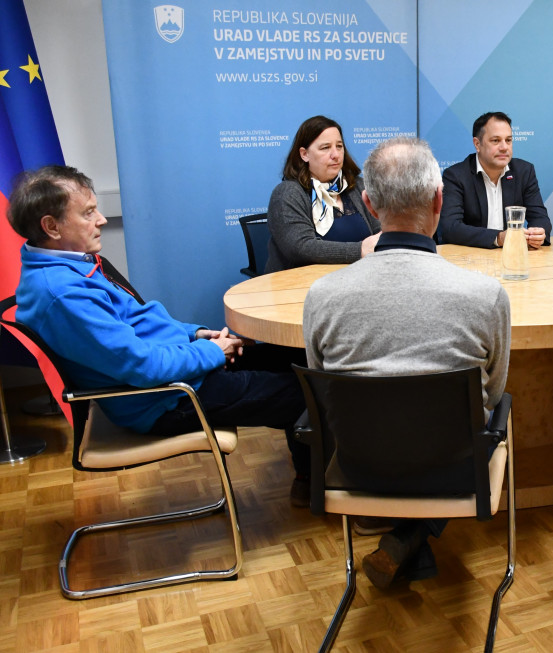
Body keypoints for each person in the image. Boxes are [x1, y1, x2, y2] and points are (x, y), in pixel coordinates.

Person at [6, 166, 309, 500]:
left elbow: (141, 321)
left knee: (293, 358)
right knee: (307, 392)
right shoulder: (63, 293)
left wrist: (198, 336)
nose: (102, 220)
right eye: (88, 212)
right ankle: (317, 488)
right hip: (164, 398)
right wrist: (212, 353)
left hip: (172, 377)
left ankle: (311, 478)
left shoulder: (70, 266)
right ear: (51, 226)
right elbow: (141, 366)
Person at [304, 137, 511, 588]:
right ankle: (411, 539)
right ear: (439, 201)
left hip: (358, 465)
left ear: (369, 205)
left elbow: (324, 389)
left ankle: (406, 541)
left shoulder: (322, 297)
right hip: (457, 468)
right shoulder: (487, 295)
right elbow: (493, 394)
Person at [265, 115, 381, 272]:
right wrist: (359, 250)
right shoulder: (288, 193)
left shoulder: (358, 186)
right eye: (325, 148)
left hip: (359, 280)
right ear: (304, 154)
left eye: (339, 146)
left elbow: (380, 233)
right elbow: (300, 248)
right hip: (300, 287)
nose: (336, 154)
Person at [439, 111, 552, 249]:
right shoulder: (456, 176)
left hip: (512, 256)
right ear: (477, 144)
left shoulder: (524, 171)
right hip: (472, 259)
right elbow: (451, 228)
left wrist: (538, 234)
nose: (504, 147)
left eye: (508, 140)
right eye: (496, 140)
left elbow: (540, 218)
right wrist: (498, 238)